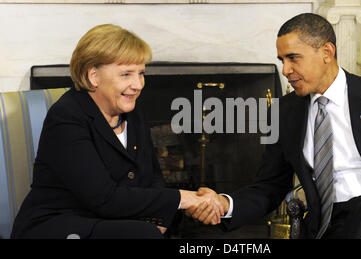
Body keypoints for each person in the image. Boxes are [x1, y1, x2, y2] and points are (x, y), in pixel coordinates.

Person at [188, 13, 361, 239]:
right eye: (281, 60)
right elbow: (270, 186)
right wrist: (226, 203)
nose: (286, 70)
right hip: (327, 223)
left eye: (293, 58)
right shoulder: (283, 111)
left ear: (327, 52)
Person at [11, 24, 222, 239]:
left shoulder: (133, 113)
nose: (138, 84)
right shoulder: (67, 117)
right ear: (94, 76)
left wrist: (158, 217)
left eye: (141, 73)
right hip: (58, 225)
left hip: (111, 222)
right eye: (126, 74)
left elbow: (153, 180)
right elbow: (103, 198)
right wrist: (186, 199)